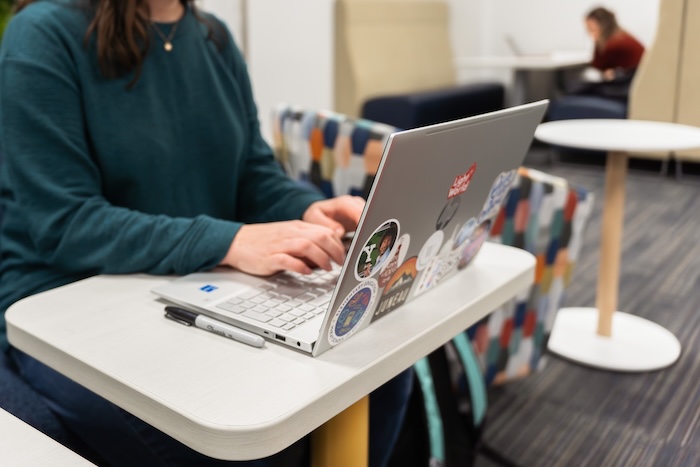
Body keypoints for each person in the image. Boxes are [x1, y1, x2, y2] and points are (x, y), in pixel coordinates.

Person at [0, 0, 412, 465]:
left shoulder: (212, 36)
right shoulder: (42, 34)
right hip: (63, 304)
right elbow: (66, 224)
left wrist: (308, 209)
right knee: (252, 449)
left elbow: (252, 173)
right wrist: (231, 241)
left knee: (385, 374)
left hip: (192, 285)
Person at [585, 6, 645, 81]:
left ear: (602, 26)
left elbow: (597, 67)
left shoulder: (613, 45)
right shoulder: (623, 36)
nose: (588, 33)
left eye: (591, 29)